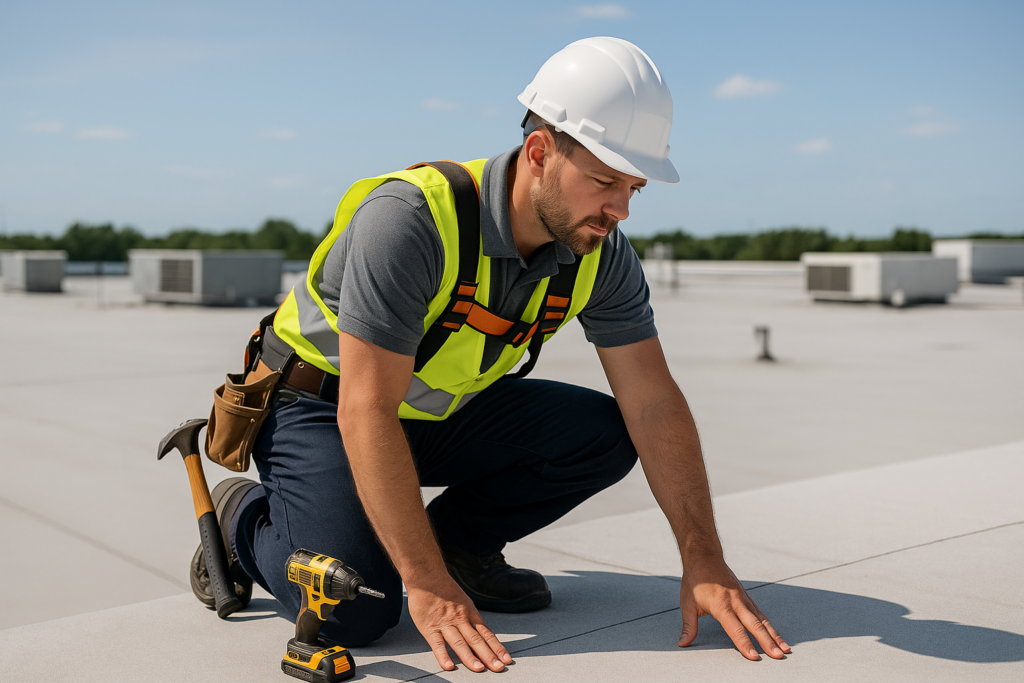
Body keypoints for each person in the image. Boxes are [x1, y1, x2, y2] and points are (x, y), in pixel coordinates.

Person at [198, 37, 790, 672]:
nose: (620, 209)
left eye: (634, 188)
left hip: (432, 415)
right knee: (359, 607)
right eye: (604, 182)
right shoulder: (410, 221)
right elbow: (365, 410)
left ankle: (461, 546)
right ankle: (242, 520)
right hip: (320, 408)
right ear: (539, 152)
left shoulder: (601, 248)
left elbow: (651, 401)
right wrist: (424, 586)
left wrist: (702, 555)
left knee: (605, 434)